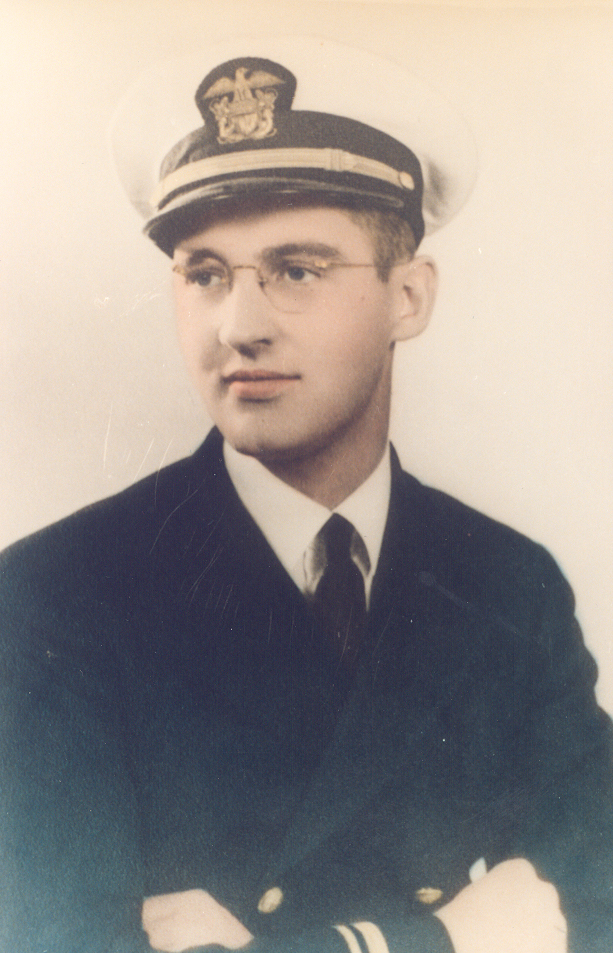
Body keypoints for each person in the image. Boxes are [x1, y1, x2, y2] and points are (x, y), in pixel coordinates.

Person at [1, 35, 611, 953]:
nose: (237, 325)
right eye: (204, 273)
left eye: (297, 270)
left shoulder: (507, 585)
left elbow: (600, 897)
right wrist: (432, 940)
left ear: (408, 297)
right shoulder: (53, 594)